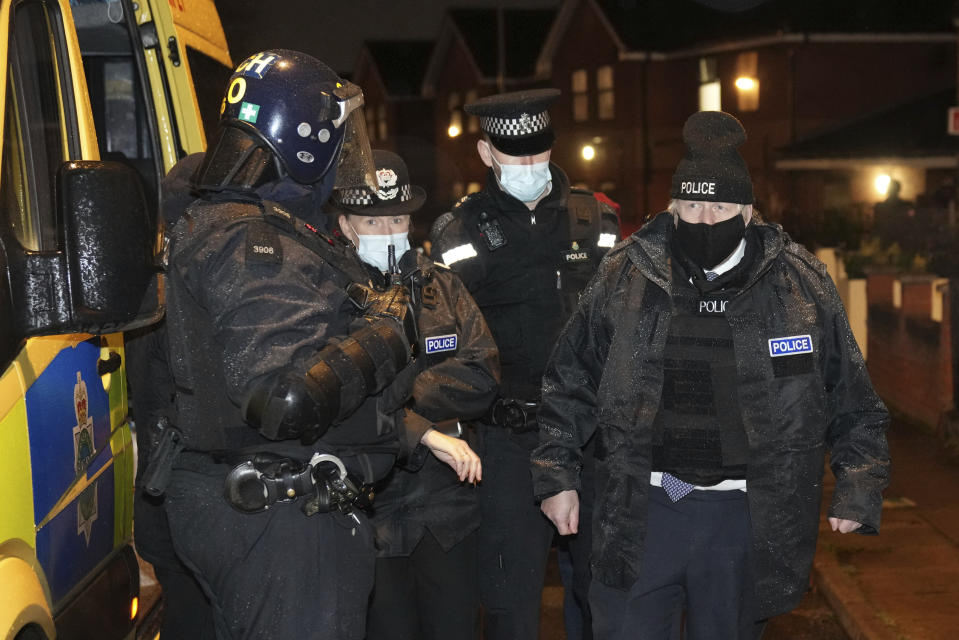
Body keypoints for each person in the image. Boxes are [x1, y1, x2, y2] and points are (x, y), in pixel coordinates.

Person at [532, 110, 891, 640]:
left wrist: (859, 486)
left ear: (747, 211)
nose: (704, 220)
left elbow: (852, 397)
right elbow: (568, 380)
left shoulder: (798, 285)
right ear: (672, 207)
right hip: (643, 509)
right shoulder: (626, 274)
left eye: (718, 206)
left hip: (744, 515)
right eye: (692, 206)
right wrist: (556, 477)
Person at [154, 49, 433, 640]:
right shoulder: (252, 239)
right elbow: (282, 400)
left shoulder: (243, 223)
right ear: (302, 139)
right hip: (280, 518)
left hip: (268, 509)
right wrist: (387, 336)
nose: (346, 155)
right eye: (340, 136)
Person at [429, 88, 621, 640]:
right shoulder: (459, 232)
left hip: (591, 439)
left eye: (540, 154)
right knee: (510, 605)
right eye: (516, 156)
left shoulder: (597, 220)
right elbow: (444, 339)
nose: (531, 167)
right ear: (487, 153)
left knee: (604, 595)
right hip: (510, 443)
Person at [330, 149, 499, 640]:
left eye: (398, 219)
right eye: (372, 220)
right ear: (344, 224)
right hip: (371, 508)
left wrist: (399, 396)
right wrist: (420, 429)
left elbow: (483, 371)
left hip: (448, 509)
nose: (388, 233)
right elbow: (339, 398)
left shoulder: (442, 287)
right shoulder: (328, 298)